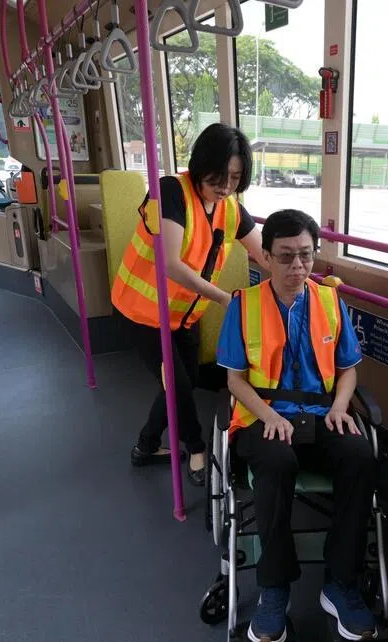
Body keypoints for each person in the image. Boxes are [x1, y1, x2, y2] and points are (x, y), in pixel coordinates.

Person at [216, 209, 378, 642]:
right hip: (261, 415)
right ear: (265, 257)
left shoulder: (330, 302)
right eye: (285, 257)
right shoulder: (243, 306)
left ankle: (340, 583)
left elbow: (348, 369)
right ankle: (274, 588)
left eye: (305, 255)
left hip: (321, 413)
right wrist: (269, 416)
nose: (297, 267)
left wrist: (342, 406)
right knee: (276, 464)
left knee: (360, 456)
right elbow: (234, 379)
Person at [111, 123, 265, 486]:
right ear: (199, 164)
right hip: (142, 312)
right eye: (218, 175)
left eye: (235, 177)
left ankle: (146, 446)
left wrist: (300, 274)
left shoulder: (231, 209)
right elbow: (171, 265)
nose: (226, 186)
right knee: (179, 386)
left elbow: (264, 253)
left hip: (183, 315)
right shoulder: (170, 191)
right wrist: (228, 300)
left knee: (185, 380)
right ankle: (197, 450)